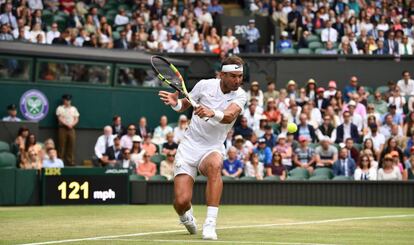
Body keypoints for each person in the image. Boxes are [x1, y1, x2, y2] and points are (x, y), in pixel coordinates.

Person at [158, 55, 247, 240]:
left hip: (212, 148)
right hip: (189, 147)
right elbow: (184, 104)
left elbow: (230, 116)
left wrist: (211, 112)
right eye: (233, 76)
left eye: (240, 76)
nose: (237, 80)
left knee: (215, 166)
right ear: (222, 75)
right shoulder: (204, 85)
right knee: (181, 202)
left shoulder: (240, 95)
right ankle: (186, 216)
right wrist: (176, 104)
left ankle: (210, 224)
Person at [56, 94, 79, 166]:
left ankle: (70, 161)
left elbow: (76, 118)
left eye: (69, 100)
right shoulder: (60, 108)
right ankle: (60, 162)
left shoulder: (74, 109)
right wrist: (66, 124)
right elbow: (59, 118)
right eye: (66, 100)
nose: (68, 101)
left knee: (71, 145)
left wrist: (72, 125)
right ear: (63, 100)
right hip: (62, 128)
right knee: (61, 145)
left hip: (71, 129)